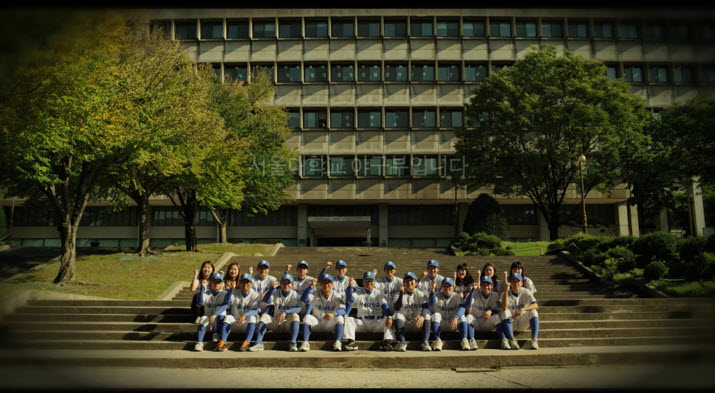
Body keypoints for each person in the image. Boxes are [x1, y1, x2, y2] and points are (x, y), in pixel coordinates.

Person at [252, 273, 303, 352]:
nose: (286, 284)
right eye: (284, 282)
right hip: (276, 323)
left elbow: (298, 308)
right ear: (281, 283)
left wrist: (285, 312)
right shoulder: (275, 292)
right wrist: (272, 289)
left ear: (292, 285)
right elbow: (265, 300)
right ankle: (259, 343)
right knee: (264, 316)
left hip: (287, 324)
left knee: (295, 316)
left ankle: (293, 343)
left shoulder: (294, 294)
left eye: (288, 283)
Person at [344, 271, 393, 352]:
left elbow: (384, 305)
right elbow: (350, 299)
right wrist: (350, 287)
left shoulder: (378, 293)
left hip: (376, 322)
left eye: (371, 280)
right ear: (363, 282)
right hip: (362, 322)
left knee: (388, 319)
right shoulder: (358, 292)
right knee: (349, 320)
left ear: (374, 282)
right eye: (366, 280)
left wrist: (389, 316)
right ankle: (351, 343)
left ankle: (387, 342)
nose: (368, 283)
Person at [300, 274, 348, 352]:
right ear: (320, 284)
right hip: (317, 322)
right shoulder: (315, 293)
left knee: (340, 318)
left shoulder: (336, 295)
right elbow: (303, 299)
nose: (326, 285)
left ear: (332, 284)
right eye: (324, 282)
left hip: (329, 323)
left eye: (328, 282)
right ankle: (305, 343)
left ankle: (338, 342)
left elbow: (343, 310)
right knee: (307, 317)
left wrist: (334, 314)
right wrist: (310, 287)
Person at [218, 273, 261, 352]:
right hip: (235, 322)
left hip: (247, 324)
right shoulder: (234, 293)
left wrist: (245, 315)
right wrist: (230, 290)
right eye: (243, 282)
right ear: (240, 283)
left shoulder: (255, 295)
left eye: (247, 282)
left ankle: (247, 342)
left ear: (251, 283)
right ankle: (223, 341)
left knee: (252, 318)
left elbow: (256, 311)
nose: (245, 284)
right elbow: (226, 301)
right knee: (228, 317)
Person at [463, 273, 504, 351]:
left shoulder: (495, 295)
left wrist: (491, 311)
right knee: (468, 317)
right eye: (484, 285)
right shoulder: (474, 294)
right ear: (480, 286)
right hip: (477, 323)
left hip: (487, 322)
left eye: (488, 285)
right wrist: (472, 291)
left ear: (492, 286)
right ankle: (471, 340)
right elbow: (468, 305)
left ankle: (503, 339)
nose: (486, 287)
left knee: (497, 317)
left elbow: (499, 309)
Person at [500, 271, 540, 350]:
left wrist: (523, 309)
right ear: (510, 283)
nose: (516, 284)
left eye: (518, 281)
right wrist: (505, 291)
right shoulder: (504, 293)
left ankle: (534, 340)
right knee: (505, 312)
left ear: (521, 283)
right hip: (511, 322)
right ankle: (512, 340)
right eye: (513, 281)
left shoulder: (525, 291)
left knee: (533, 311)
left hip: (522, 322)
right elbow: (504, 307)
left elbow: (536, 305)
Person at [393, 272, 432, 352]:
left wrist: (422, 316)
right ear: (403, 283)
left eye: (411, 280)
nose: (409, 282)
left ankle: (425, 342)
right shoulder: (398, 294)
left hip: (417, 323)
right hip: (404, 324)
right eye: (407, 281)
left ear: (416, 282)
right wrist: (401, 294)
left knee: (427, 315)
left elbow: (425, 307)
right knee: (397, 315)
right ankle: (402, 342)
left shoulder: (420, 293)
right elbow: (396, 307)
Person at [428, 277, 467, 351]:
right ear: (441, 287)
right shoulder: (436, 295)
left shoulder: (457, 296)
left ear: (453, 287)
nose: (447, 288)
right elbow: (432, 303)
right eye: (445, 286)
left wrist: (456, 317)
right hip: (441, 324)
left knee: (462, 317)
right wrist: (432, 290)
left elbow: (462, 308)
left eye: (449, 286)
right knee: (436, 315)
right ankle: (437, 340)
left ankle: (464, 340)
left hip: (453, 324)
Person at [194, 272, 229, 351]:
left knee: (222, 313)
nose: (216, 284)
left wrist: (230, 290)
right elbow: (199, 304)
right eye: (214, 281)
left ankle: (218, 335)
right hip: (208, 322)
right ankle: (199, 343)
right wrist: (202, 288)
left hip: (219, 323)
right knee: (203, 318)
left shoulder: (224, 293)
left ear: (221, 284)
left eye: (218, 282)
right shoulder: (205, 293)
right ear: (210, 283)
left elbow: (226, 305)